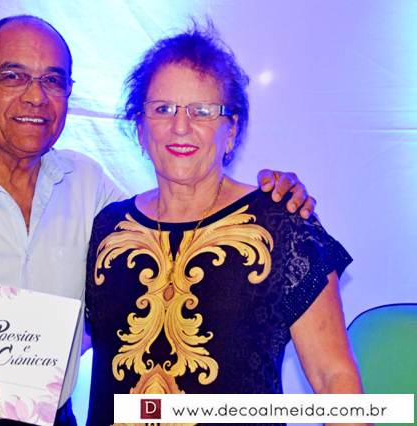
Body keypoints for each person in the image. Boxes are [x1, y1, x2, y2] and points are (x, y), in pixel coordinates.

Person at [0, 15, 316, 426]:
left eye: (53, 81)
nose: (36, 96)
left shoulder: (89, 185)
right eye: (13, 76)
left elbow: (178, 219)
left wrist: (269, 199)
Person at [84, 22, 363, 426]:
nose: (181, 126)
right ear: (141, 128)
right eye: (163, 109)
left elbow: (334, 379)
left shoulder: (282, 224)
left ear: (231, 131)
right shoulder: (108, 229)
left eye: (202, 111)